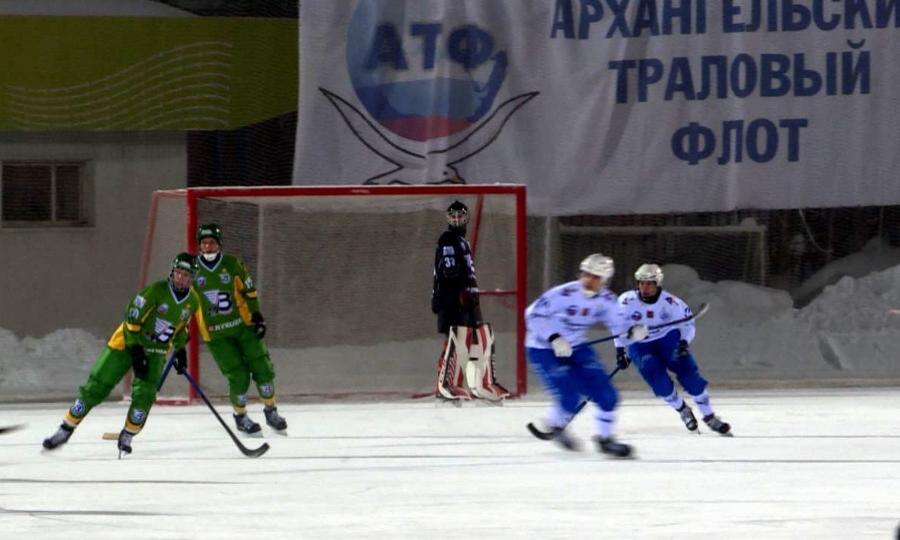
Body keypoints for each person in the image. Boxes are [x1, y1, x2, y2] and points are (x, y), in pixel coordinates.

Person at [42, 253, 202, 456]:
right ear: (172, 272)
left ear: (192, 278)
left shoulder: (193, 301)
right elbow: (132, 318)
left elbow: (180, 327)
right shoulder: (155, 291)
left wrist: (180, 349)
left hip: (156, 350)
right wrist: (135, 349)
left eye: (186, 275)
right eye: (178, 273)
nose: (180, 278)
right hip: (127, 342)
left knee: (145, 395)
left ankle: (127, 434)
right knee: (97, 385)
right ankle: (65, 429)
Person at [525, 253, 648, 457]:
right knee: (569, 396)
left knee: (607, 396)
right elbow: (533, 314)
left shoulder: (607, 300)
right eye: (586, 274)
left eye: (595, 277)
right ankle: (555, 426)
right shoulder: (563, 294)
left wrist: (633, 331)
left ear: (604, 280)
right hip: (543, 348)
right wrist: (554, 337)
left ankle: (605, 440)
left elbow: (619, 324)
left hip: (576, 348)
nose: (589, 279)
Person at [615, 263, 731, 436]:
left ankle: (709, 416)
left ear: (658, 283)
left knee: (690, 376)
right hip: (640, 345)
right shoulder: (626, 300)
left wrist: (684, 342)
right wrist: (621, 349)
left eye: (649, 283)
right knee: (659, 381)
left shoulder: (672, 303)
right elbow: (618, 326)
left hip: (667, 339)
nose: (644, 287)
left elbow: (688, 324)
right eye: (641, 283)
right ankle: (683, 410)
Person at [193, 223, 287, 433]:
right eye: (204, 243)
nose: (208, 246)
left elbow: (249, 291)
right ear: (199, 245)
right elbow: (181, 302)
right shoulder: (191, 270)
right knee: (238, 375)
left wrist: (257, 316)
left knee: (262, 367)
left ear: (219, 244)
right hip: (215, 334)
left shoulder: (232, 264)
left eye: (212, 242)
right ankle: (240, 416)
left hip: (243, 326)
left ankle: (271, 410)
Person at [431, 200, 509, 402]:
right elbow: (449, 271)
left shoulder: (461, 241)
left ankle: (483, 384)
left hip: (467, 298)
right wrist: (459, 293)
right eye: (453, 216)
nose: (457, 219)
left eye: (460, 216)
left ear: (466, 218)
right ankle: (447, 385)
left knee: (482, 337)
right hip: (453, 298)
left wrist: (470, 295)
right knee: (458, 339)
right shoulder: (448, 239)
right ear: (449, 218)